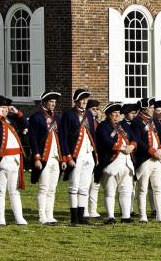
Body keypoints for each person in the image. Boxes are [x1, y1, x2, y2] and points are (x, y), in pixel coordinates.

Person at [0, 95, 28, 226]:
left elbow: (25, 124)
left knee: (15, 191)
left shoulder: (11, 121)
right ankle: (0, 218)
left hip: (15, 160)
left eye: (7, 108)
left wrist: (18, 113)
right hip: (2, 161)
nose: (6, 110)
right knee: (0, 191)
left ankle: (19, 217)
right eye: (3, 107)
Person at [59, 88, 97, 225]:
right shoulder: (69, 114)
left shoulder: (89, 115)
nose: (84, 101)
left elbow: (92, 134)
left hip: (88, 154)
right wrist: (67, 156)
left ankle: (82, 216)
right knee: (74, 186)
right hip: (76, 154)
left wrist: (94, 153)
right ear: (76, 100)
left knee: (84, 187)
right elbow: (63, 137)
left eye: (86, 99)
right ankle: (74, 217)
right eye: (82, 99)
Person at [95, 103, 136, 224]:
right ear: (108, 115)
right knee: (110, 191)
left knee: (126, 190)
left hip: (127, 163)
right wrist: (123, 148)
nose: (117, 116)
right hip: (111, 163)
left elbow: (134, 138)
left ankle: (126, 216)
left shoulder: (123, 126)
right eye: (114, 114)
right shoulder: (103, 126)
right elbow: (106, 141)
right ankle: (110, 217)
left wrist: (132, 146)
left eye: (118, 114)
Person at [28, 90, 65, 225]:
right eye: (51, 102)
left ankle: (50, 215)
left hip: (55, 157)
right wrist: (36, 157)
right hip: (44, 156)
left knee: (52, 188)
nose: (53, 104)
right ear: (44, 102)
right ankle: (42, 216)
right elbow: (33, 138)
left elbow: (60, 138)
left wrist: (63, 158)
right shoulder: (36, 117)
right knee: (43, 187)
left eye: (54, 102)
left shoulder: (57, 118)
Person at [85, 99, 103, 218]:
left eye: (97, 109)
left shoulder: (99, 123)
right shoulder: (85, 122)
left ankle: (93, 209)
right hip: (88, 154)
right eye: (93, 109)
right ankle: (84, 209)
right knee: (85, 185)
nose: (95, 111)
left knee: (95, 184)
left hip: (98, 155)